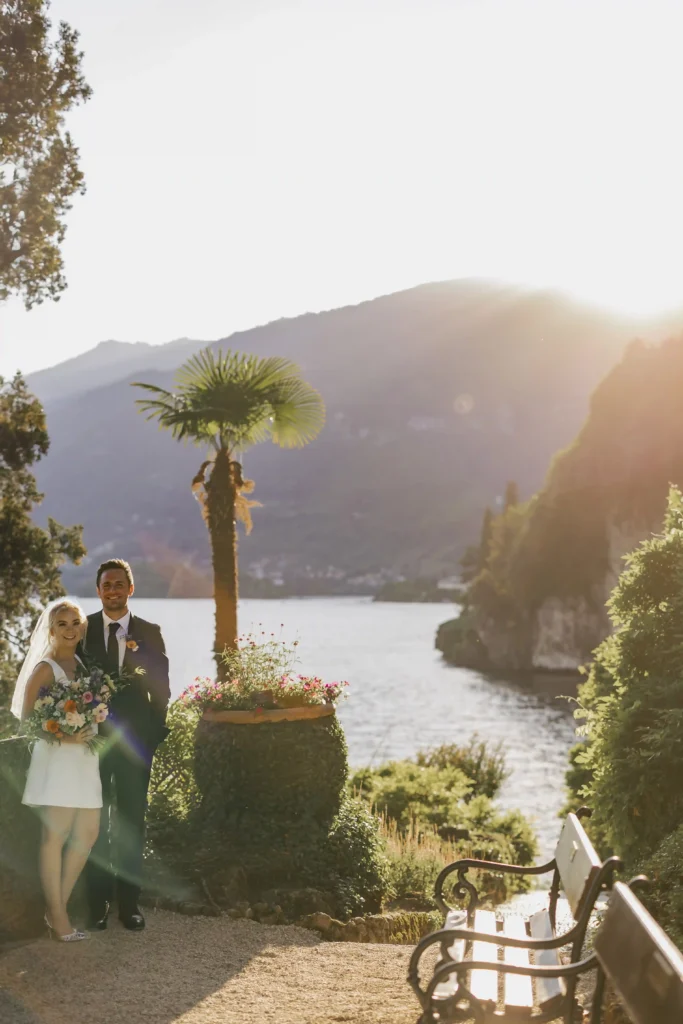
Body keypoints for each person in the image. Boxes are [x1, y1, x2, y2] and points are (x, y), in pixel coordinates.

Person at [83, 558, 170, 931]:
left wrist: (153, 734)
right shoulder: (81, 628)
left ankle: (130, 905)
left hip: (136, 745)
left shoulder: (150, 631)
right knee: (94, 823)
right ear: (99, 590)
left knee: (133, 822)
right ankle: (97, 904)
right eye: (107, 585)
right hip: (91, 746)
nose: (113, 590)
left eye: (120, 584)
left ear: (130, 589)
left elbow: (162, 686)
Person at [12, 599, 100, 943]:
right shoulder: (45, 668)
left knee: (88, 832)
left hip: (85, 758)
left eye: (74, 622)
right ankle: (59, 917)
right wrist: (63, 733)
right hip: (59, 758)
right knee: (55, 837)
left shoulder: (82, 663)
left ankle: (56, 908)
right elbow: (27, 719)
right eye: (62, 624)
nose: (69, 629)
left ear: (82, 626)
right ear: (51, 630)